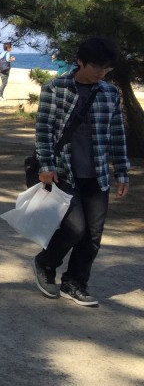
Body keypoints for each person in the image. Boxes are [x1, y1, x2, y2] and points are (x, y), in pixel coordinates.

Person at [30, 37, 130, 307]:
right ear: (79, 62)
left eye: (106, 69)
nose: (101, 73)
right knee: (74, 228)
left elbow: (117, 135)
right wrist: (46, 166)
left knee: (93, 236)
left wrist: (122, 171)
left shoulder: (109, 93)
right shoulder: (56, 88)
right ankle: (45, 262)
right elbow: (44, 131)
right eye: (96, 67)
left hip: (97, 174)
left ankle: (75, 283)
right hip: (64, 172)